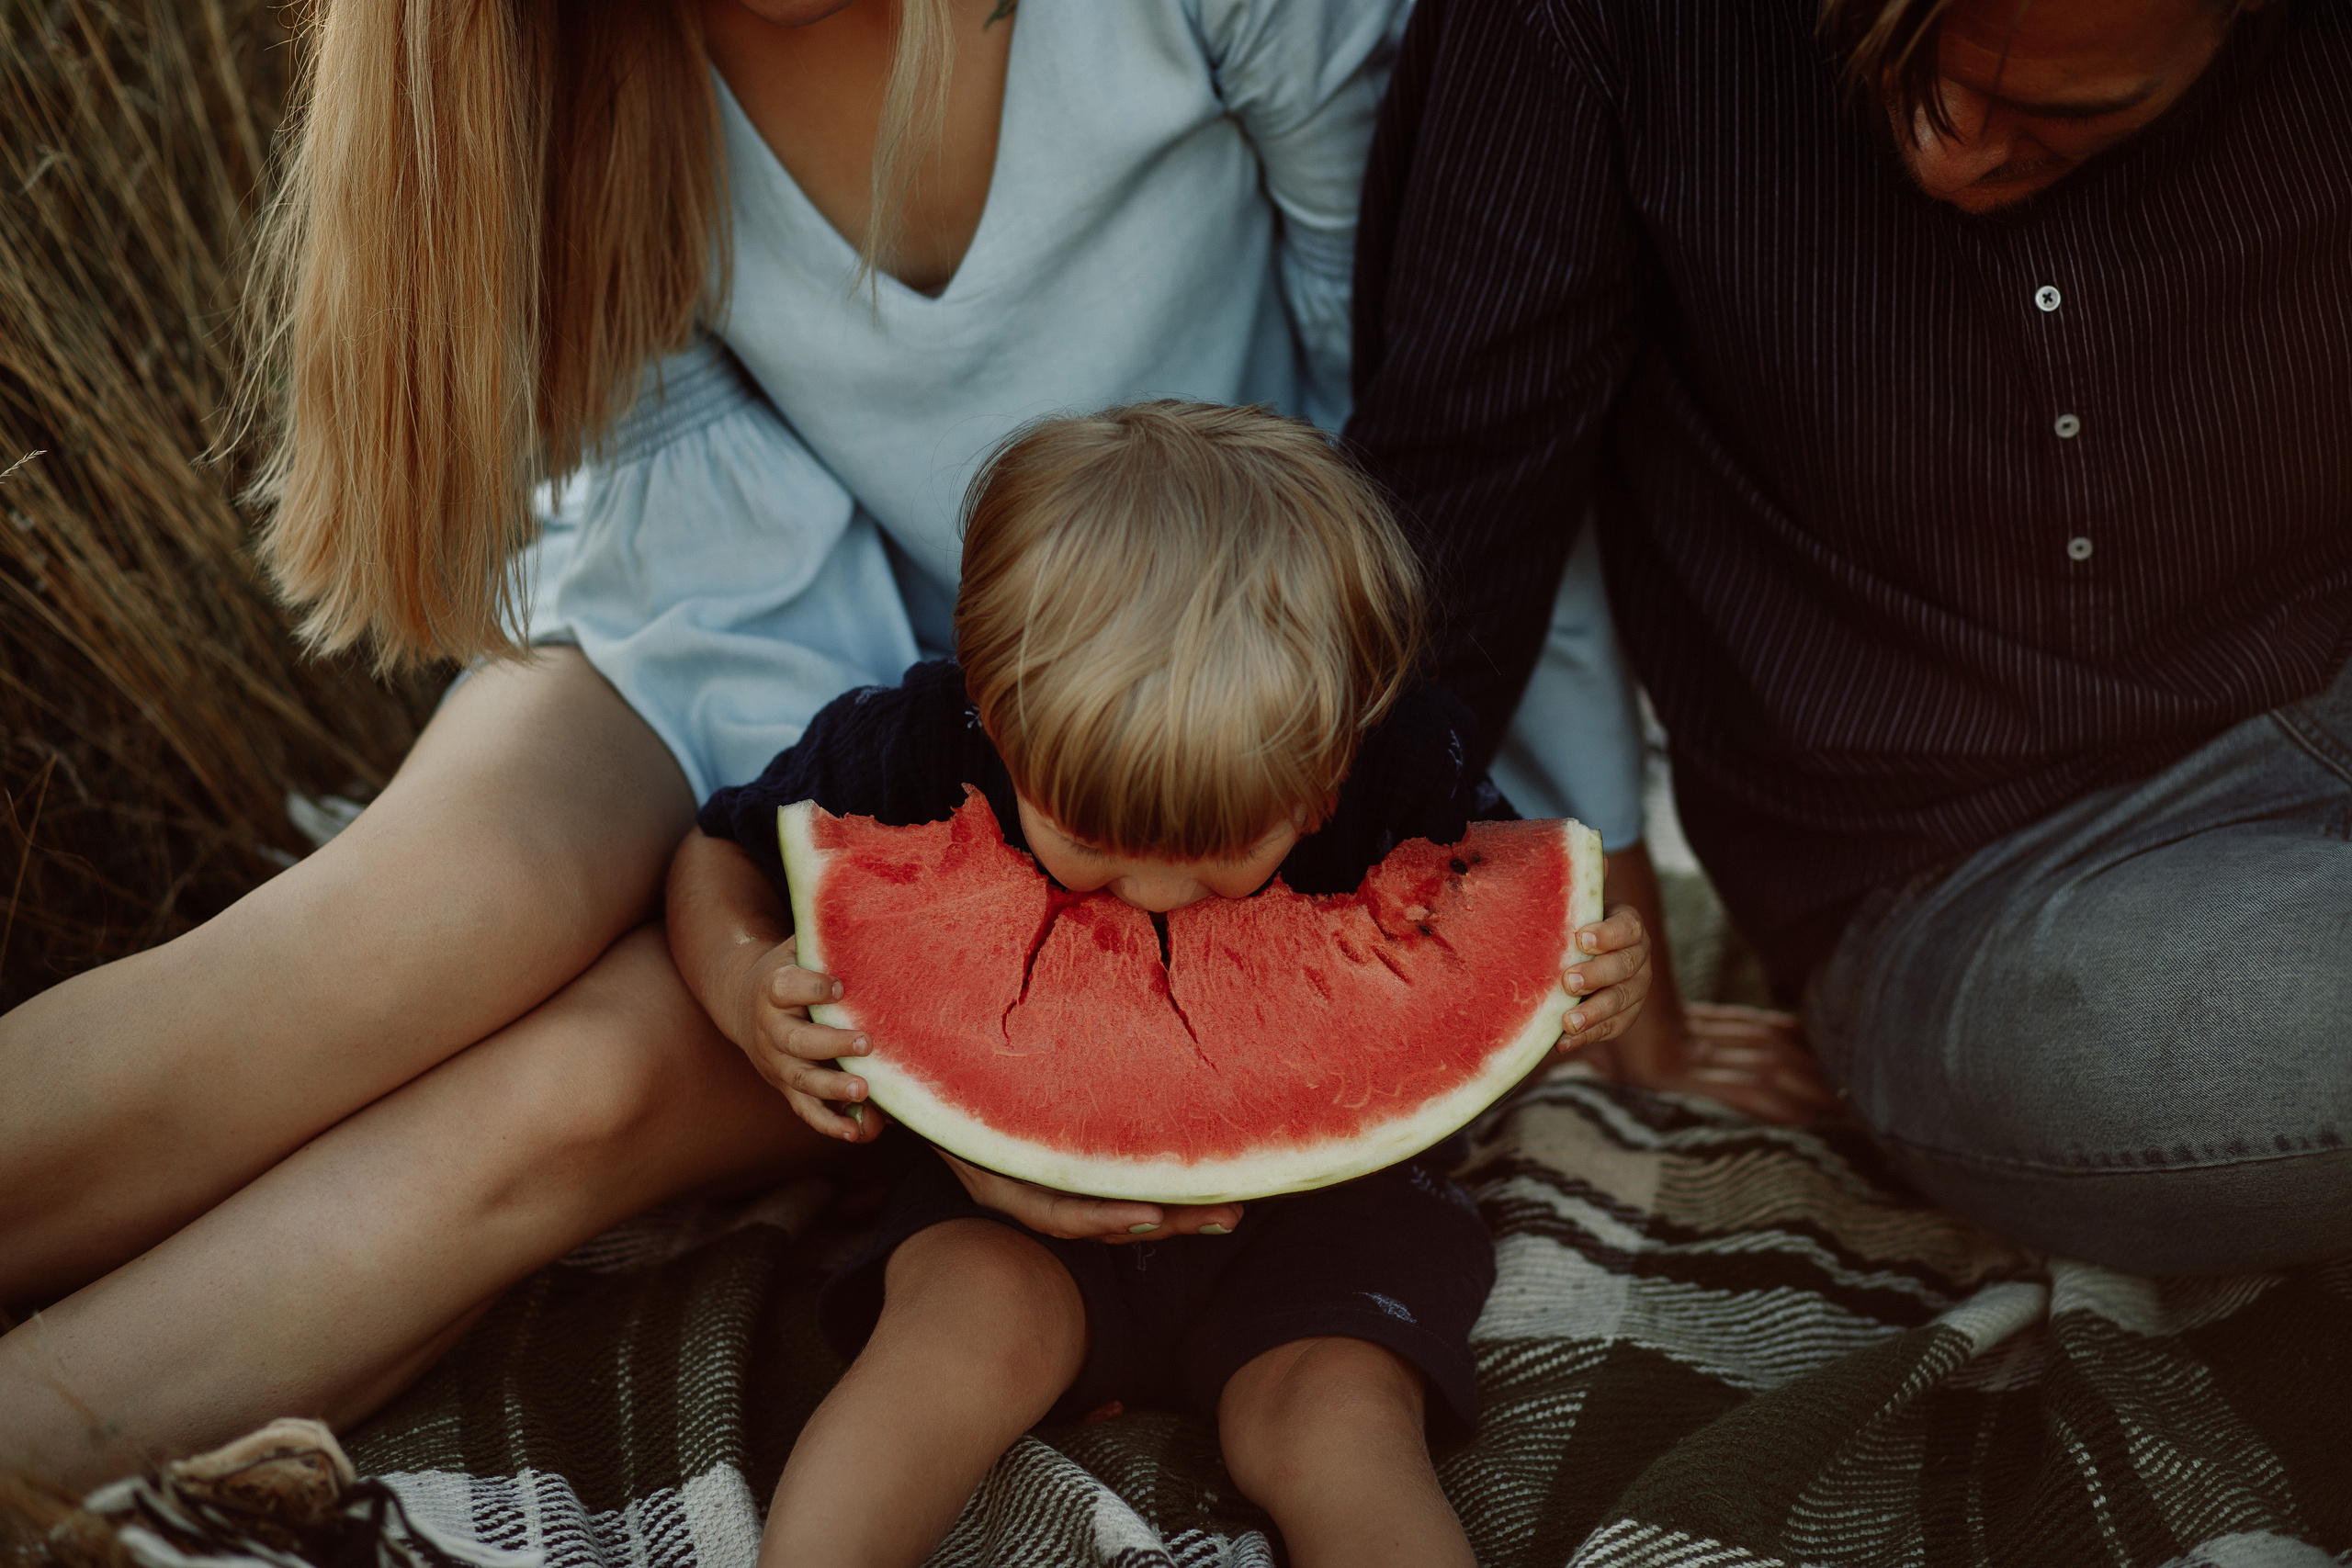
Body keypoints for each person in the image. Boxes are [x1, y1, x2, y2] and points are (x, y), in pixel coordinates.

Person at [0, 0, 1558, 1483]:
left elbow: (1462, 426)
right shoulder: (554, 61)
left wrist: (1560, 843)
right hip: (723, 631)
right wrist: (896, 939)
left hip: (1209, 723)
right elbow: (709, 587)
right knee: (400, 934)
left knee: (584, 1086)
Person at [1347, 0, 2352, 1272]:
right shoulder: (1583, 26)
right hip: (1993, 891)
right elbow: (1451, 527)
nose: (1945, 155)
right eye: (1898, 61)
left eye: (2066, 114)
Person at [669, 402, 1655, 1568]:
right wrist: (744, 986)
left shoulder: (1410, 762)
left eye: (1224, 854)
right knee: (948, 1347)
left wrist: (1587, 982)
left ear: (1334, 760)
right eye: (1087, 841)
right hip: (1003, 1209)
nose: (1154, 901)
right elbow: (713, 853)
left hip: (1331, 1223)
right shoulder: (914, 743)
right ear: (992, 697)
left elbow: (1491, 945)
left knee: (1335, 1424)